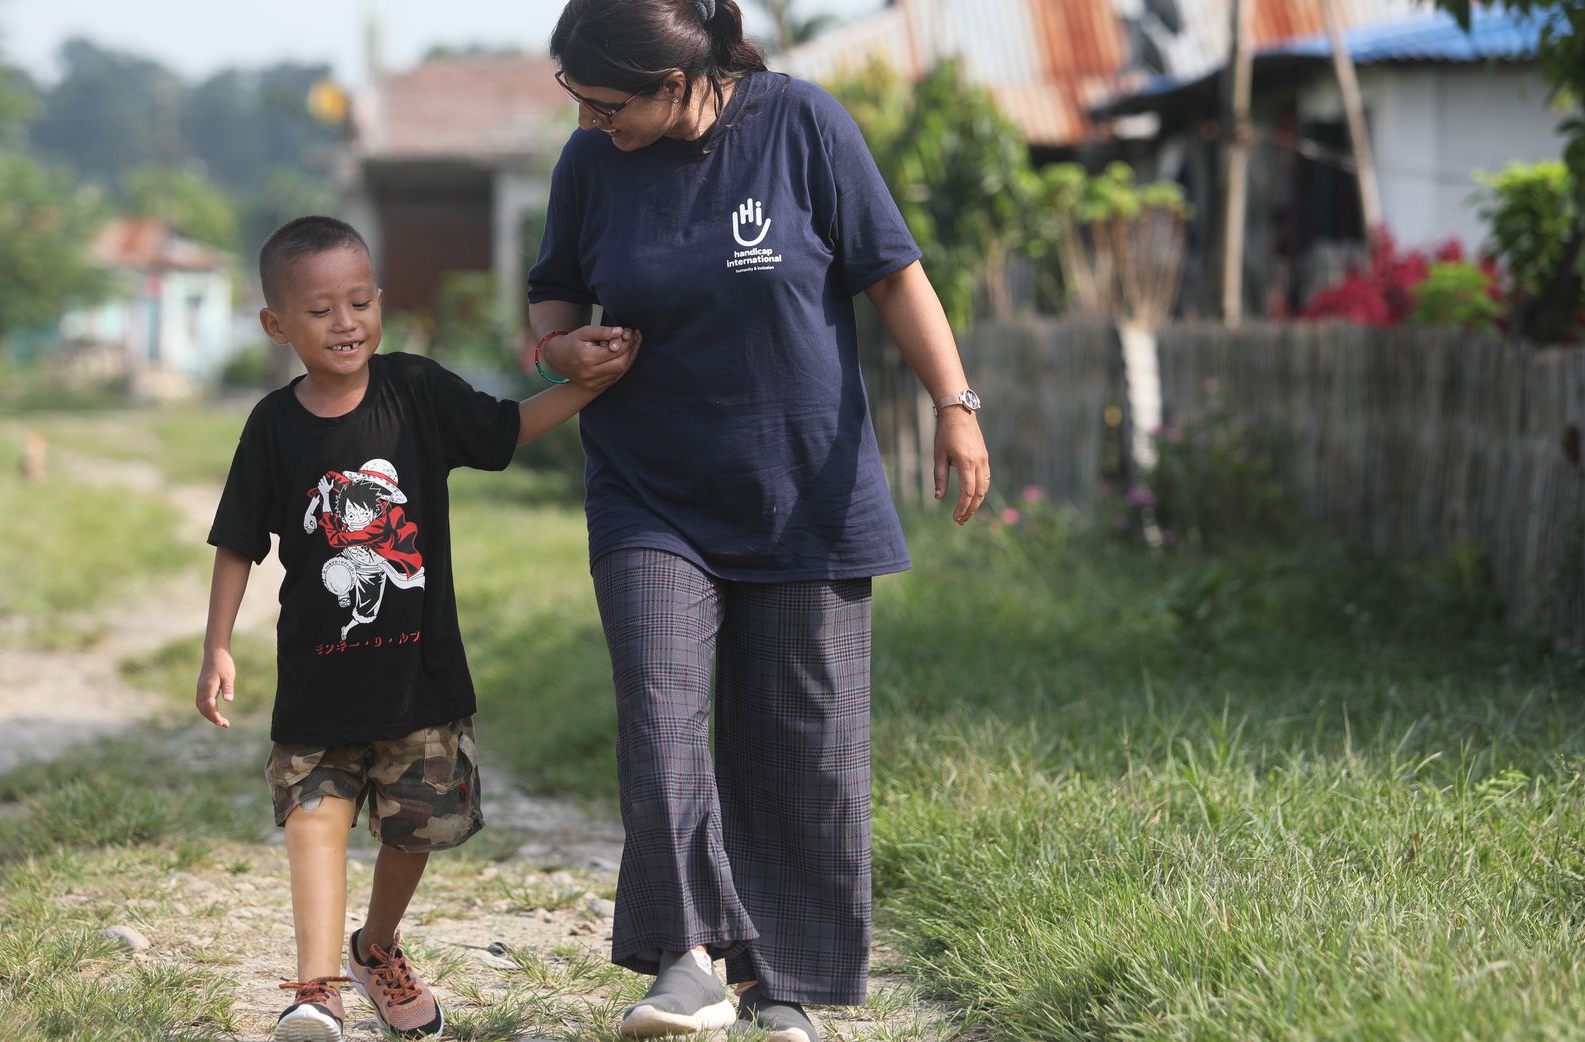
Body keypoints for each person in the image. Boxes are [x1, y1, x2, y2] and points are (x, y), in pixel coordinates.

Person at [528, 1, 992, 1039]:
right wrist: (560, 349)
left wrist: (954, 405)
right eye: (578, 101)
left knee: (801, 744)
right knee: (659, 709)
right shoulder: (587, 163)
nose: (592, 121)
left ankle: (779, 987)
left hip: (803, 491)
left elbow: (891, 273)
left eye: (607, 103)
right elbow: (551, 295)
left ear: (677, 77)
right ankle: (686, 960)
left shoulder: (803, 126)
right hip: (647, 488)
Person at [197, 216, 639, 1041]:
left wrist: (587, 387)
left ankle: (375, 947)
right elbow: (236, 542)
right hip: (317, 686)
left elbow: (504, 429)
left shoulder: (416, 391)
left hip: (421, 684)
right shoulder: (272, 426)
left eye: (360, 302)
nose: (345, 323)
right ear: (276, 325)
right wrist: (217, 644)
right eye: (320, 309)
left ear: (380, 303)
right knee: (315, 819)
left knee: (415, 830)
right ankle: (314, 989)